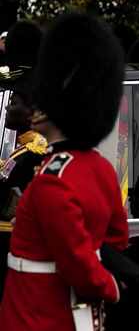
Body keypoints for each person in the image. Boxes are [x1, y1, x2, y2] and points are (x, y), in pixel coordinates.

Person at [0, 12, 129, 330]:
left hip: (39, 314)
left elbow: (77, 264)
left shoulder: (52, 179)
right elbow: (115, 239)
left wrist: (110, 286)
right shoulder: (99, 167)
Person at [0, 20, 47, 301]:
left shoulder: (34, 155)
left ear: (32, 110)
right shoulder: (23, 151)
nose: (8, 105)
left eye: (14, 102)